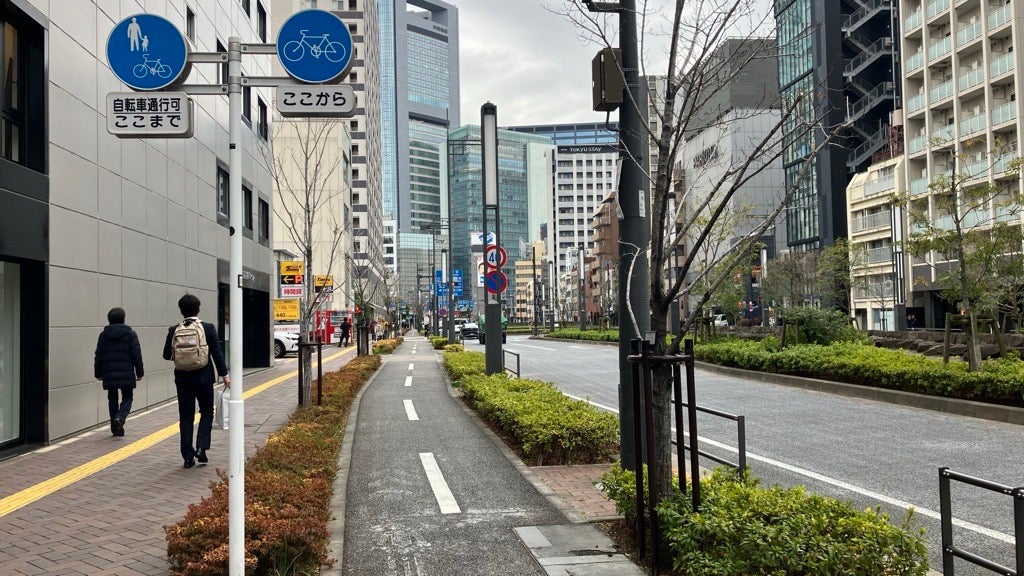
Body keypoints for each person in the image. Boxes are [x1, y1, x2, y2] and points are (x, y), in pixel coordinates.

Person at [163, 294, 229, 469]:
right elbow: (216, 353)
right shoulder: (207, 328)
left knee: (186, 416)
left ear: (181, 310)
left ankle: (187, 456)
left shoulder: (173, 329)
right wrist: (224, 374)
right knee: (207, 411)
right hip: (204, 377)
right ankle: (201, 447)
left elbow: (166, 355)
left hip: (182, 378)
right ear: (198, 309)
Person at [94, 307, 144, 437]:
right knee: (127, 397)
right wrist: (140, 372)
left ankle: (116, 429)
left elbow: (98, 355)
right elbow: (136, 354)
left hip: (109, 373)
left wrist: (98, 373)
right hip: (126, 372)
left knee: (112, 399)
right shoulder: (130, 334)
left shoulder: (103, 335)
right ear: (123, 319)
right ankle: (120, 418)